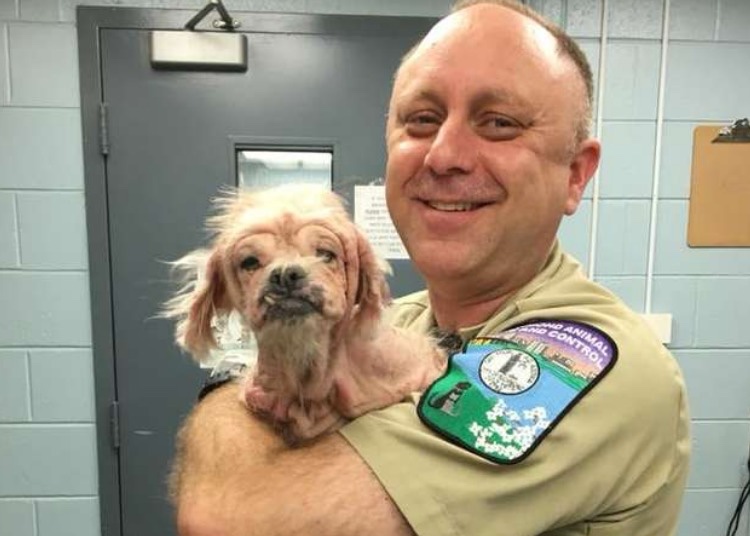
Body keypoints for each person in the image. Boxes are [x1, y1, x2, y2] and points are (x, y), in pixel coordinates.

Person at [172, 1, 691, 535]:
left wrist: (238, 396)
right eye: (422, 120)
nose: (444, 156)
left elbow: (230, 520)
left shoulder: (588, 361)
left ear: (575, 175)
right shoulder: (396, 322)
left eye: (499, 123)